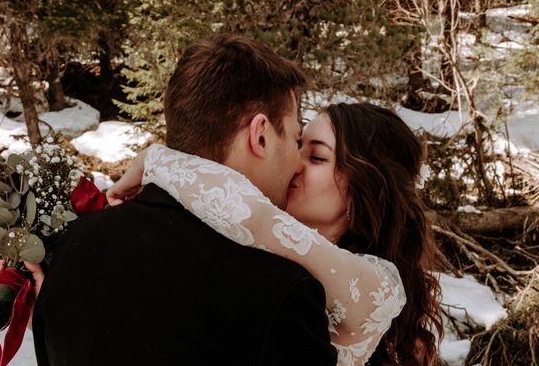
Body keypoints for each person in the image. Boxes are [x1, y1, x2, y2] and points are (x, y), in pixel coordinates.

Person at [29, 34, 339, 365]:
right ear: (260, 135)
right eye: (294, 138)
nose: (296, 163)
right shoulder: (278, 294)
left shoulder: (74, 246)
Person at [109, 103, 444, 365]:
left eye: (316, 156)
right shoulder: (262, 250)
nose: (294, 164)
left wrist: (157, 160)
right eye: (298, 146)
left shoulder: (378, 286)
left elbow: (249, 212)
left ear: (366, 191)